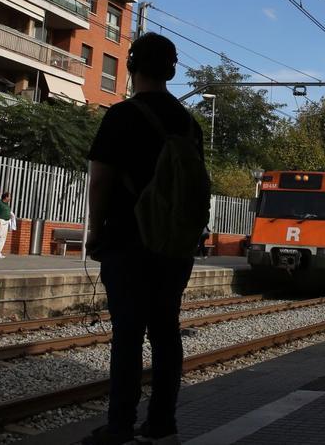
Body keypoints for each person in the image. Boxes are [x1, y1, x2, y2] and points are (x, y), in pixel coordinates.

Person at [85, 33, 203, 444]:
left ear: (132, 66)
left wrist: (95, 231)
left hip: (126, 241)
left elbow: (100, 181)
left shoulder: (121, 116)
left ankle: (119, 426)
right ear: (171, 69)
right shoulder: (190, 124)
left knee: (129, 336)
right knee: (166, 332)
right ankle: (162, 423)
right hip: (174, 245)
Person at [0, 191, 15, 259]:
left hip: (6, 222)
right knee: (0, 236)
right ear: (6, 197)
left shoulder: (7, 204)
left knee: (3, 238)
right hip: (1, 221)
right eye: (9, 196)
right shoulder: (0, 203)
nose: (10, 198)